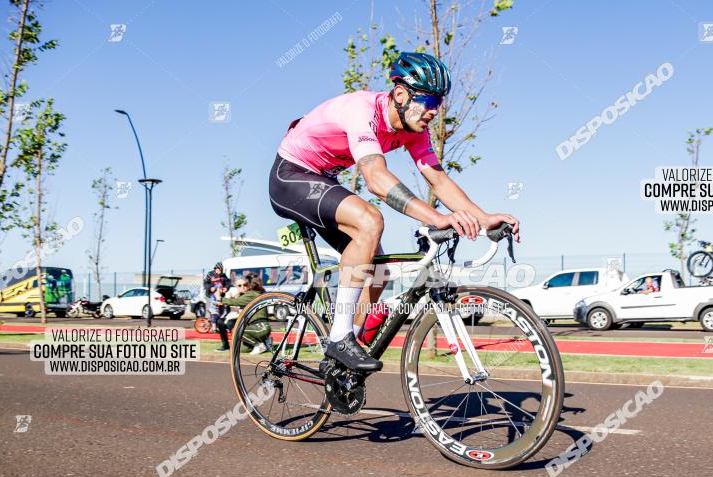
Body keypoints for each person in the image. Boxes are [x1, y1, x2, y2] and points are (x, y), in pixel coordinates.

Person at [269, 51, 519, 372]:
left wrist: (483, 218)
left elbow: (438, 179)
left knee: (378, 270)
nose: (433, 112)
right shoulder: (362, 109)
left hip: (323, 179)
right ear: (400, 94)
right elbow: (375, 178)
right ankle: (339, 338)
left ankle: (344, 357)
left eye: (439, 105)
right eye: (428, 102)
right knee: (370, 219)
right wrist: (437, 218)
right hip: (290, 175)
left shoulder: (413, 130)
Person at [217, 272, 271, 354]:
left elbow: (235, 302)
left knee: (236, 330)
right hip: (262, 328)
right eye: (240, 285)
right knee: (242, 350)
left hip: (259, 328)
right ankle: (265, 341)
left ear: (250, 284)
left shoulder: (251, 295)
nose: (243, 287)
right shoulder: (260, 292)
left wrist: (220, 298)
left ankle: (259, 344)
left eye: (245, 284)